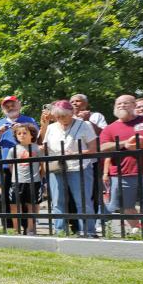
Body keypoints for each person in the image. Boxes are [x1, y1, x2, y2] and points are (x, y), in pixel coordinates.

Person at [43, 100, 98, 236]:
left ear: (72, 113)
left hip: (80, 167)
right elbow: (45, 147)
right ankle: (60, 230)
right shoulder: (52, 127)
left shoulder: (84, 125)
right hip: (57, 168)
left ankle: (87, 231)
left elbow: (93, 149)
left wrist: (75, 154)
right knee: (57, 201)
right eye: (57, 117)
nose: (61, 119)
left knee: (83, 201)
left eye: (63, 116)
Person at [99, 95, 143, 234]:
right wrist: (125, 144)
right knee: (125, 205)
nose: (121, 105)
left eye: (125, 103)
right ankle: (141, 232)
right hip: (122, 173)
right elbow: (103, 147)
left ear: (134, 105)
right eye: (118, 104)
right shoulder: (110, 128)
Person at [0, 96, 39, 228]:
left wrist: (23, 129)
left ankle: (28, 226)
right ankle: (10, 227)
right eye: (7, 106)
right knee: (7, 197)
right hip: (5, 166)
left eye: (13, 104)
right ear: (2, 108)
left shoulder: (29, 120)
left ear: (19, 104)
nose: (10, 107)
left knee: (27, 197)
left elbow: (37, 141)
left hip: (26, 165)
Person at [5, 123, 43, 235]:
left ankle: (30, 229)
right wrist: (15, 177)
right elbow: (11, 166)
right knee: (14, 206)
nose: (22, 135)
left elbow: (42, 165)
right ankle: (17, 230)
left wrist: (39, 177)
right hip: (17, 182)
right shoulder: (13, 150)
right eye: (19, 133)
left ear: (32, 135)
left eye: (25, 133)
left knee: (32, 206)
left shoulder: (37, 148)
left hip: (34, 181)